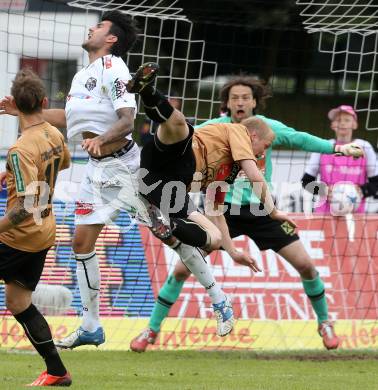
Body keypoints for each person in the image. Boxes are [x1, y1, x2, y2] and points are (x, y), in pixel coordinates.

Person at [130, 75, 364, 352]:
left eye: (245, 97)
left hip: (261, 211)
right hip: (225, 210)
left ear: (254, 101)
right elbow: (187, 138)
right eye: (234, 98)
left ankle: (325, 323)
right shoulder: (216, 127)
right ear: (227, 103)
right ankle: (152, 329)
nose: (239, 102)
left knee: (306, 266)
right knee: (182, 269)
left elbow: (301, 139)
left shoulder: (267, 129)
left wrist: (336, 148)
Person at [1, 11, 146, 349]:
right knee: (81, 245)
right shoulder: (85, 75)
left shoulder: (114, 68)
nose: (91, 28)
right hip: (94, 172)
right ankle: (89, 328)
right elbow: (67, 120)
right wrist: (23, 113)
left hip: (121, 166)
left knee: (170, 229)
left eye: (99, 26)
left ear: (110, 39)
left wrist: (99, 140)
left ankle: (217, 297)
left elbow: (127, 119)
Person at [126, 63, 297, 343]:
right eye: (263, 148)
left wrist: (231, 251)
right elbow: (254, 174)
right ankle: (147, 91)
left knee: (213, 238)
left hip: (163, 185)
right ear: (253, 137)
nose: (261, 154)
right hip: (179, 156)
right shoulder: (239, 131)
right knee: (178, 125)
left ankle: (166, 226)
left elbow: (215, 209)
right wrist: (274, 210)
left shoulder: (226, 174)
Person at [0, 70, 71, 386]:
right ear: (44, 102)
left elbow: (23, 208)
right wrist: (14, 177)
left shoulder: (19, 149)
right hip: (43, 232)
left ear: (14, 103)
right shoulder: (53, 133)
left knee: (19, 303)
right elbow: (62, 163)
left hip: (18, 235)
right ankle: (57, 371)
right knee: (18, 303)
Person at [302, 105, 378, 213]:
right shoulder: (323, 146)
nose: (342, 123)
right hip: (324, 214)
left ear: (355, 124)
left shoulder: (365, 147)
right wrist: (324, 191)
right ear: (333, 125)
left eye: (347, 120)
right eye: (338, 120)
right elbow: (306, 182)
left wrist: (361, 191)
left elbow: (376, 183)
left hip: (356, 216)